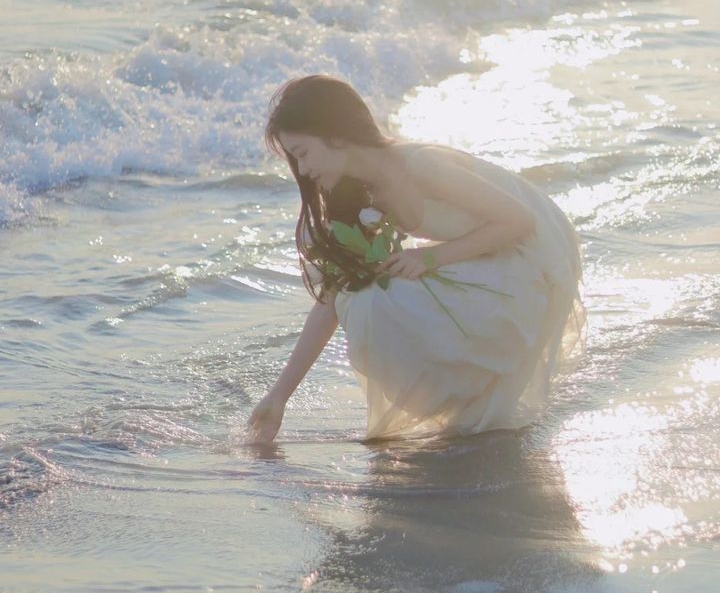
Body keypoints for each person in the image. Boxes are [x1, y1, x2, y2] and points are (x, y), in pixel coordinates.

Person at [246, 74, 586, 444]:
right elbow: (332, 297)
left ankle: (470, 388)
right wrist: (279, 396)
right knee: (364, 295)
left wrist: (431, 257)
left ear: (336, 135)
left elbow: (519, 221)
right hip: (485, 245)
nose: (304, 170)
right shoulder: (358, 193)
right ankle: (462, 394)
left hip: (534, 247)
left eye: (302, 153)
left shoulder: (421, 166)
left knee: (395, 295)